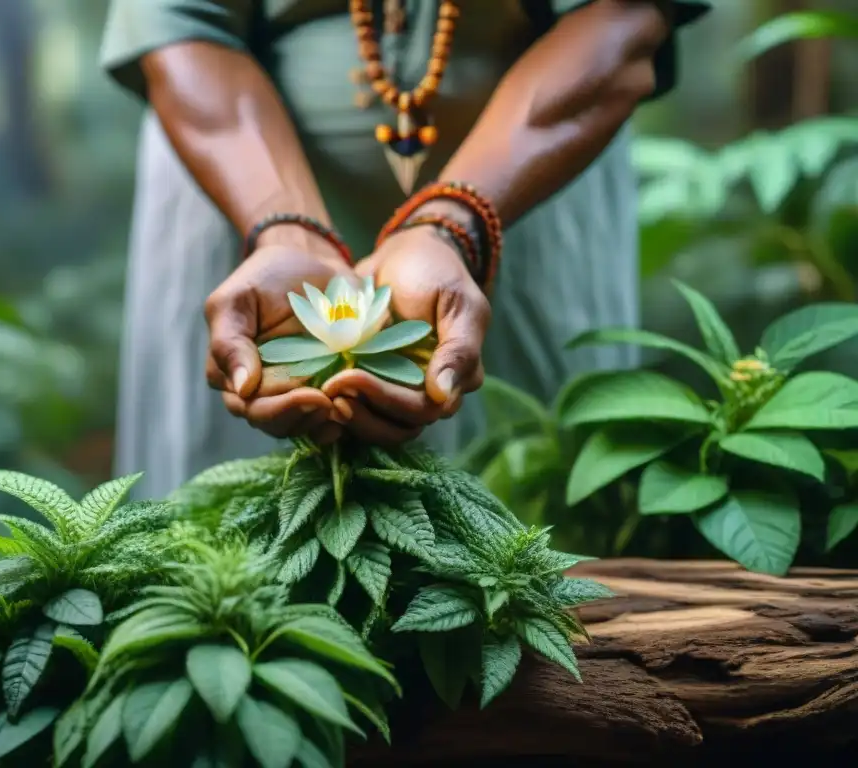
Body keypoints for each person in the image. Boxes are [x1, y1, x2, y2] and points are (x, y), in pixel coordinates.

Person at [100, 0, 710, 500]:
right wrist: (285, 229)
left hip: (531, 192)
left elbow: (623, 15)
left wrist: (454, 223)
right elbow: (177, 24)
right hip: (235, 188)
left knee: (524, 534)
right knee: (221, 550)